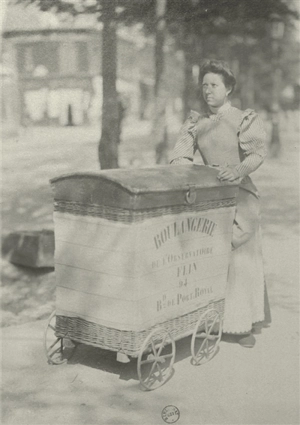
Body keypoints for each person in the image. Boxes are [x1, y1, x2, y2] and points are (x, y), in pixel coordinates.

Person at [170, 59, 271, 348]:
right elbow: (180, 155)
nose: (208, 91)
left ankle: (242, 325)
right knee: (208, 255)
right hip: (209, 195)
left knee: (239, 260)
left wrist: (237, 170)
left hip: (239, 194)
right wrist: (183, 171)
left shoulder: (243, 118)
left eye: (214, 85)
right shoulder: (195, 122)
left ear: (228, 89)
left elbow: (256, 154)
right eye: (204, 85)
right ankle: (208, 320)